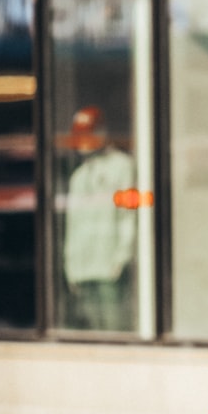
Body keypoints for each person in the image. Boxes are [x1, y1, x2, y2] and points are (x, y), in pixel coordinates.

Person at [62, 105, 137, 331]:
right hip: (84, 267)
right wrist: (71, 265)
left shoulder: (122, 167)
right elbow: (73, 225)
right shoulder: (79, 176)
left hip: (109, 264)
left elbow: (129, 215)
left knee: (115, 326)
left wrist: (122, 256)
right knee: (93, 327)